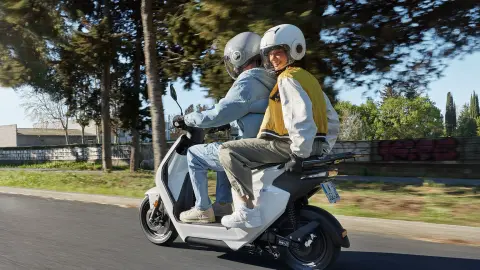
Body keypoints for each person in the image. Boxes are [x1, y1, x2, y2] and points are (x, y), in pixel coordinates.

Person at [218, 24, 340, 228]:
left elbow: (299, 119)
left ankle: (246, 210)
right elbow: (332, 119)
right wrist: (323, 148)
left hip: (287, 146)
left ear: (294, 50)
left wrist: (299, 154)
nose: (274, 58)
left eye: (279, 53)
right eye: (270, 54)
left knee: (227, 151)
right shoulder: (309, 79)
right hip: (313, 147)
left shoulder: (287, 79)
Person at [173, 32, 277, 223]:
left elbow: (220, 112)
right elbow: (249, 110)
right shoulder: (268, 80)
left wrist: (188, 119)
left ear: (239, 56)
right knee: (222, 147)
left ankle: (203, 209)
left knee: (195, 154)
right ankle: (222, 204)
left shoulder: (248, 81)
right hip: (263, 145)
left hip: (250, 150)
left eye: (233, 59)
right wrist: (227, 122)